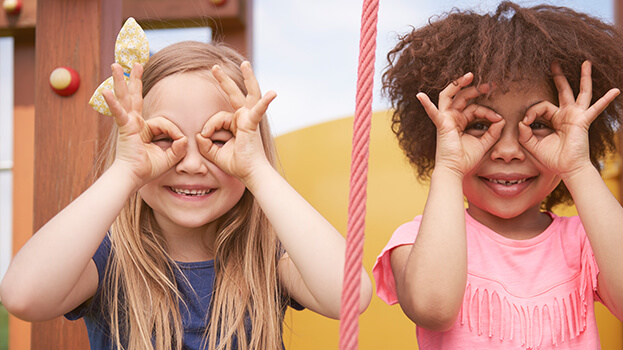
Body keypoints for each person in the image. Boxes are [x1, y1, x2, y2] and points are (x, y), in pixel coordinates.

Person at [0, 19, 372, 350]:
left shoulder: (267, 255)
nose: (192, 164)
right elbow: (23, 296)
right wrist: (126, 170)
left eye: (221, 138)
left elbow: (351, 296)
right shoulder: (110, 259)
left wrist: (256, 169)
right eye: (164, 138)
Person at [372, 2, 623, 349]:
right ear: (434, 135)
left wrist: (576, 165)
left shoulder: (585, 241)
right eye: (479, 124)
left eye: (540, 125)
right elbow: (432, 308)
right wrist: (450, 166)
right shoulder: (417, 241)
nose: (508, 150)